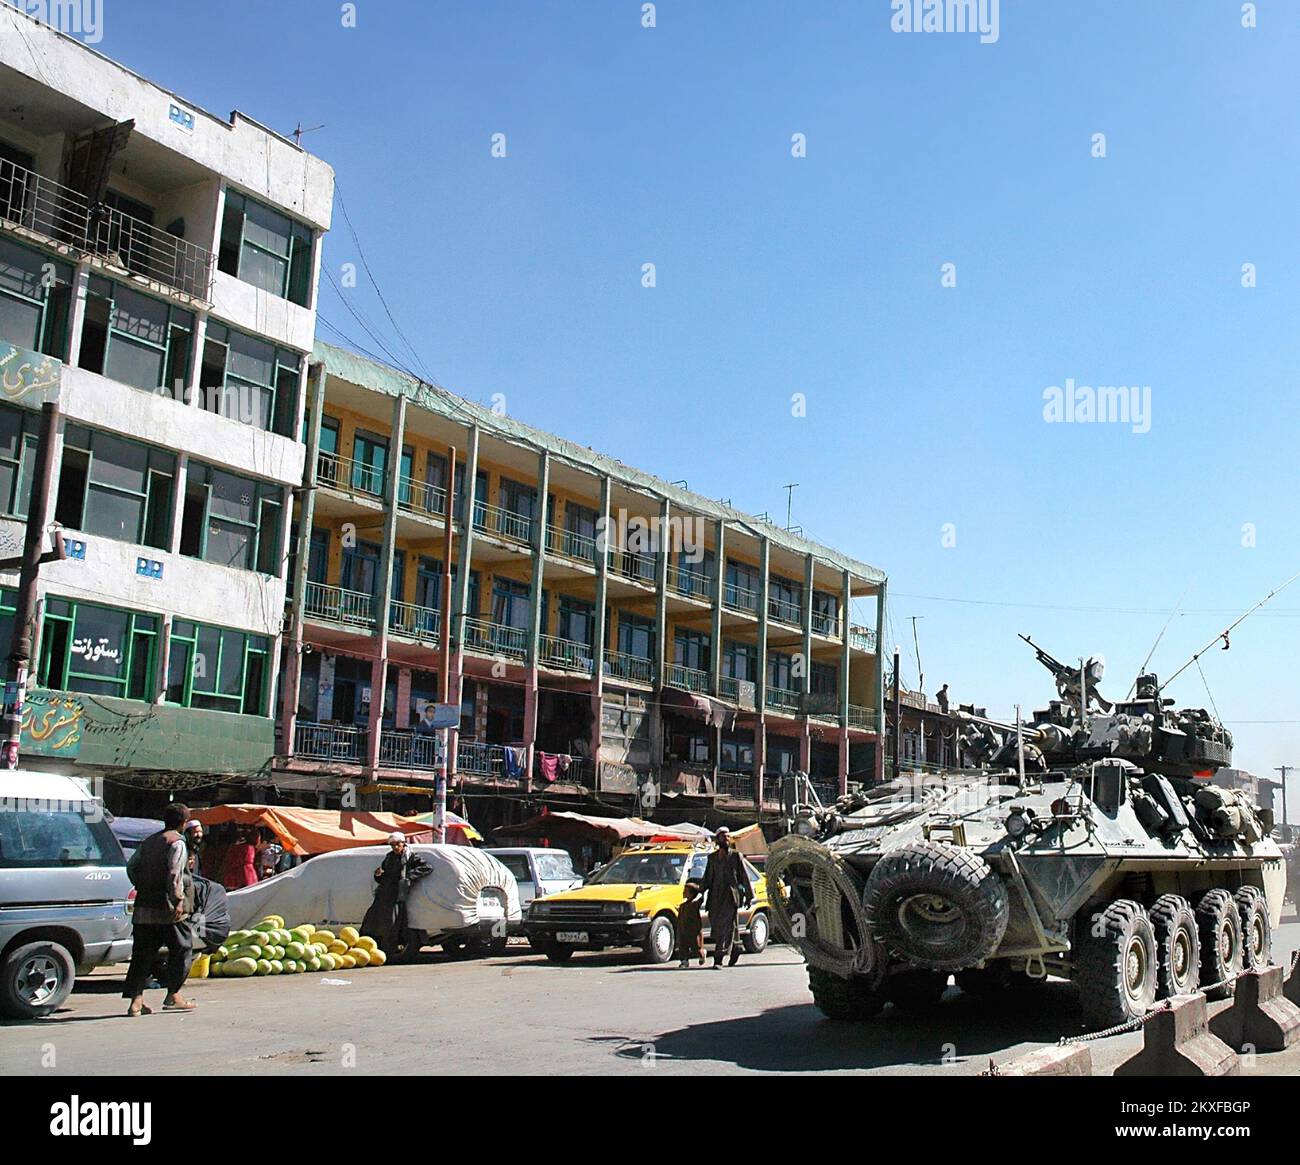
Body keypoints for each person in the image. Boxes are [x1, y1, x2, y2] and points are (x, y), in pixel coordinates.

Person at [123, 803, 197, 1016]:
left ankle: (136, 1002)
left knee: (142, 954)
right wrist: (178, 900)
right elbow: (174, 874)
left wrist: (143, 885)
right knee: (182, 949)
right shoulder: (177, 843)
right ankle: (173, 995)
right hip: (168, 909)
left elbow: (131, 868)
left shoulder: (148, 842)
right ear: (184, 823)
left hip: (144, 907)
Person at [361, 832, 433, 958]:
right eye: (392, 845)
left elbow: (427, 867)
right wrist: (378, 875)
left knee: (391, 923)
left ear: (403, 843)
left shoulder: (411, 857)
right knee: (372, 920)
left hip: (397, 895)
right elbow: (384, 877)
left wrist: (408, 877)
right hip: (384, 894)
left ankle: (389, 950)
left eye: (397, 844)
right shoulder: (389, 858)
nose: (395, 847)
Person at [698, 828, 753, 969]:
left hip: (730, 898)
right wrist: (699, 893)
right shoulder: (712, 858)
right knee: (718, 927)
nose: (726, 840)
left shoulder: (736, 856)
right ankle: (736, 948)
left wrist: (748, 895)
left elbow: (744, 877)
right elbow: (707, 878)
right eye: (723, 838)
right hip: (715, 899)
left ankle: (718, 959)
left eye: (728, 837)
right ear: (718, 840)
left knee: (725, 928)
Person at [677, 881, 705, 968]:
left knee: (696, 946)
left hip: (693, 930)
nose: (684, 892)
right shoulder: (682, 906)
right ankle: (684, 961)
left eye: (686, 891)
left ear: (692, 893)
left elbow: (702, 899)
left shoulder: (695, 904)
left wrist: (701, 890)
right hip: (683, 929)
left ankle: (702, 955)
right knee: (683, 945)